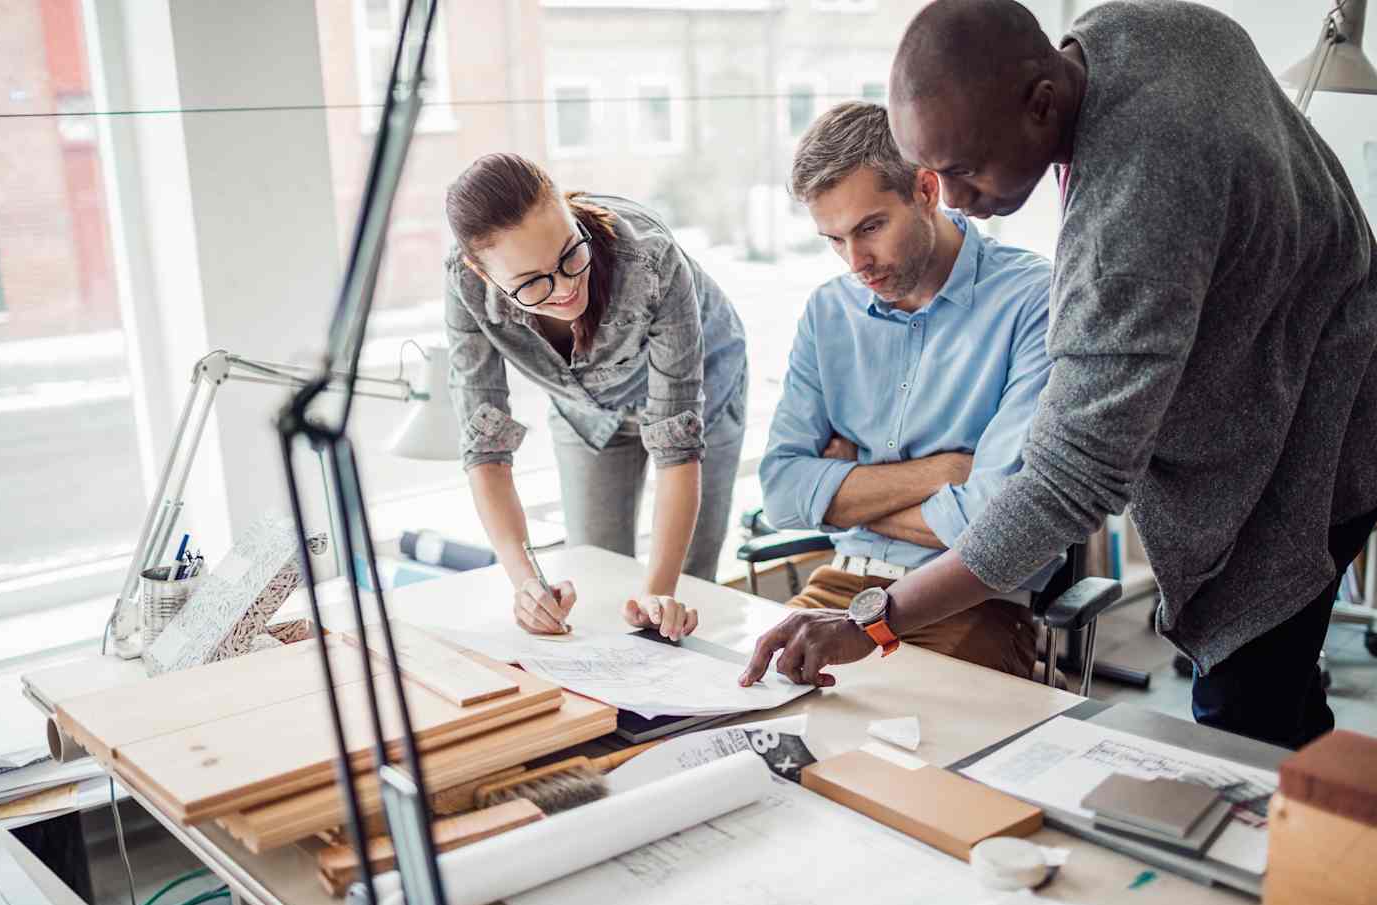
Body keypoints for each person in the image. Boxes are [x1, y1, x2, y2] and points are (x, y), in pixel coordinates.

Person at [741, 0, 1377, 751]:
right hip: (1329, 351)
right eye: (935, 172)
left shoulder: (1122, 228)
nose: (950, 199)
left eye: (963, 169)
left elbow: (1063, 485)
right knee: (1292, 713)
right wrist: (939, 476)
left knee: (1240, 739)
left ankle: (1313, 851)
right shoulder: (1129, 28)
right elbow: (785, 486)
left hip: (1304, 446)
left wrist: (871, 611)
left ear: (1041, 104)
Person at [760, 101, 1056, 680]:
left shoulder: (1034, 300)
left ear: (925, 188)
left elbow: (999, 523)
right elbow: (781, 492)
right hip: (836, 587)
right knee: (746, 732)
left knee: (908, 764)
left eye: (870, 228)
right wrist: (946, 472)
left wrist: (845, 496)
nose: (856, 262)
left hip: (972, 601)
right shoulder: (829, 311)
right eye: (834, 239)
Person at [445, 153, 748, 642]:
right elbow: (486, 451)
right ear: (483, 276)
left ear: (567, 210)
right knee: (597, 575)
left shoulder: (651, 260)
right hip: (584, 408)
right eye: (531, 284)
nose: (565, 289)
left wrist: (659, 595)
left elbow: (676, 453)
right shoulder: (465, 287)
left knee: (681, 594)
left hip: (701, 394)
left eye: (570, 255)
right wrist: (527, 586)